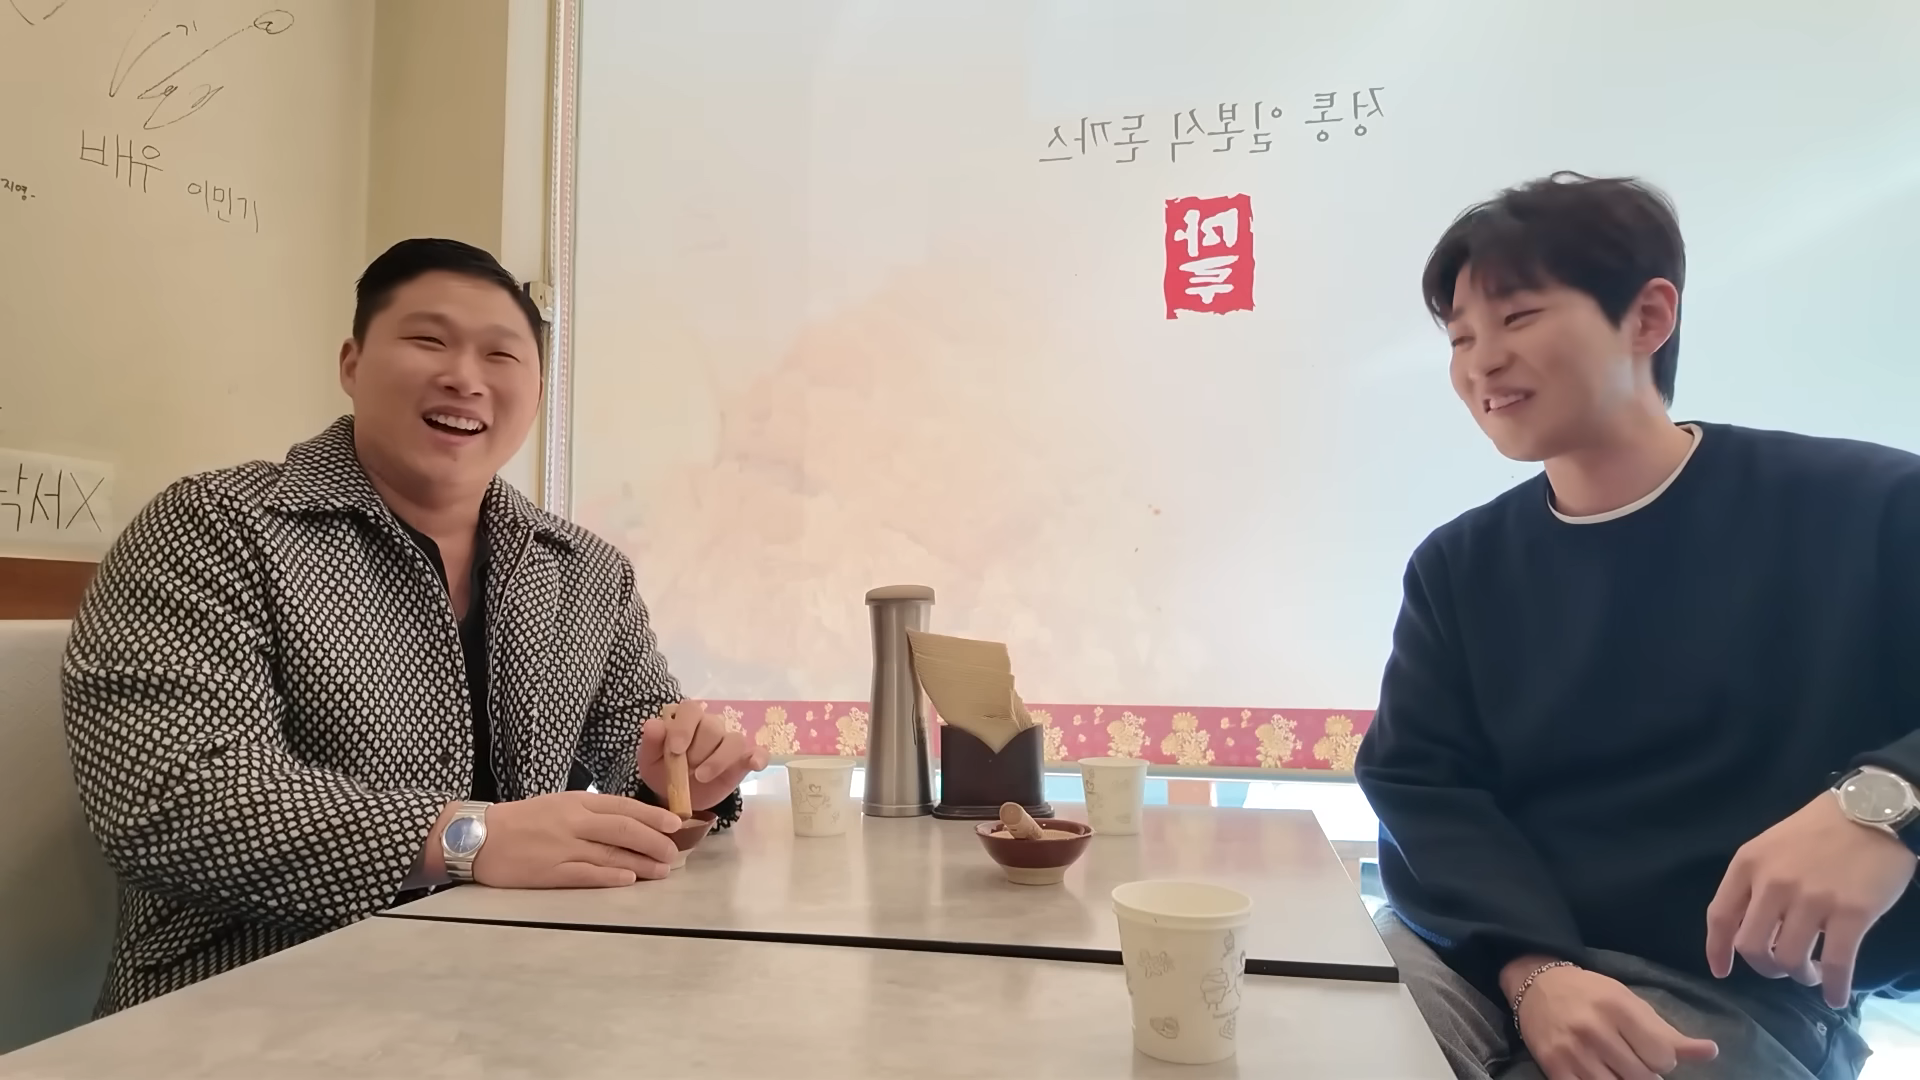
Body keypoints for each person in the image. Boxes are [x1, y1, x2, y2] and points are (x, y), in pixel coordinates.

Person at [63, 238, 768, 1015]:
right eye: (429, 340)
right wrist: (468, 838)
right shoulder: (216, 527)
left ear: (536, 394)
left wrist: (684, 780)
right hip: (243, 1011)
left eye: (501, 355)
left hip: (518, 1003)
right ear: (352, 363)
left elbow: (641, 747)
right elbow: (169, 799)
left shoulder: (586, 571)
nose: (465, 377)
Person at [1356, 173, 1920, 1080]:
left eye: (1517, 317)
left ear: (1649, 317)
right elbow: (1422, 786)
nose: (1481, 362)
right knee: (1292, 1036)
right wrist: (1536, 972)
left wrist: (1886, 802)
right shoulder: (1459, 567)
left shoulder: (1869, 507)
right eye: (1460, 338)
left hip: (1737, 990)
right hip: (1486, 959)